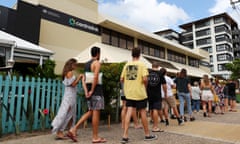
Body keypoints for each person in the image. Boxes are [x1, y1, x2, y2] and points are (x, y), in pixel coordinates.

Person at [68, 47, 106, 143]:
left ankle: (74, 129)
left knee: (91, 112)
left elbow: (83, 79)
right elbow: (96, 77)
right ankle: (95, 137)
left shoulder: (86, 64)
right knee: (95, 113)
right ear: (98, 53)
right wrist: (92, 90)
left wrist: (86, 91)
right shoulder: (96, 63)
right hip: (96, 91)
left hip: (89, 91)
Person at [120, 47, 157, 143]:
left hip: (129, 93)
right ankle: (147, 135)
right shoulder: (141, 64)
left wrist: (128, 84)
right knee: (143, 112)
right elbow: (145, 79)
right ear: (139, 54)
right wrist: (144, 86)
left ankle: (125, 136)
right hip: (140, 92)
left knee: (129, 112)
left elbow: (121, 79)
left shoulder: (127, 65)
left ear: (132, 54)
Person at [51, 58, 87, 139]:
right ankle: (60, 131)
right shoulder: (70, 73)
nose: (76, 66)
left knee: (71, 114)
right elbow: (73, 84)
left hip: (70, 95)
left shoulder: (67, 73)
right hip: (69, 96)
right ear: (71, 65)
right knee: (66, 113)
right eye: (75, 64)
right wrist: (79, 77)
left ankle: (71, 130)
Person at [147, 63, 166, 132]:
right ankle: (155, 127)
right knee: (155, 109)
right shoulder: (160, 74)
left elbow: (144, 82)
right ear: (158, 66)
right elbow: (164, 85)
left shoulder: (148, 72)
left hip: (149, 94)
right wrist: (165, 93)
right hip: (157, 94)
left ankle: (152, 121)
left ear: (152, 66)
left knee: (151, 108)